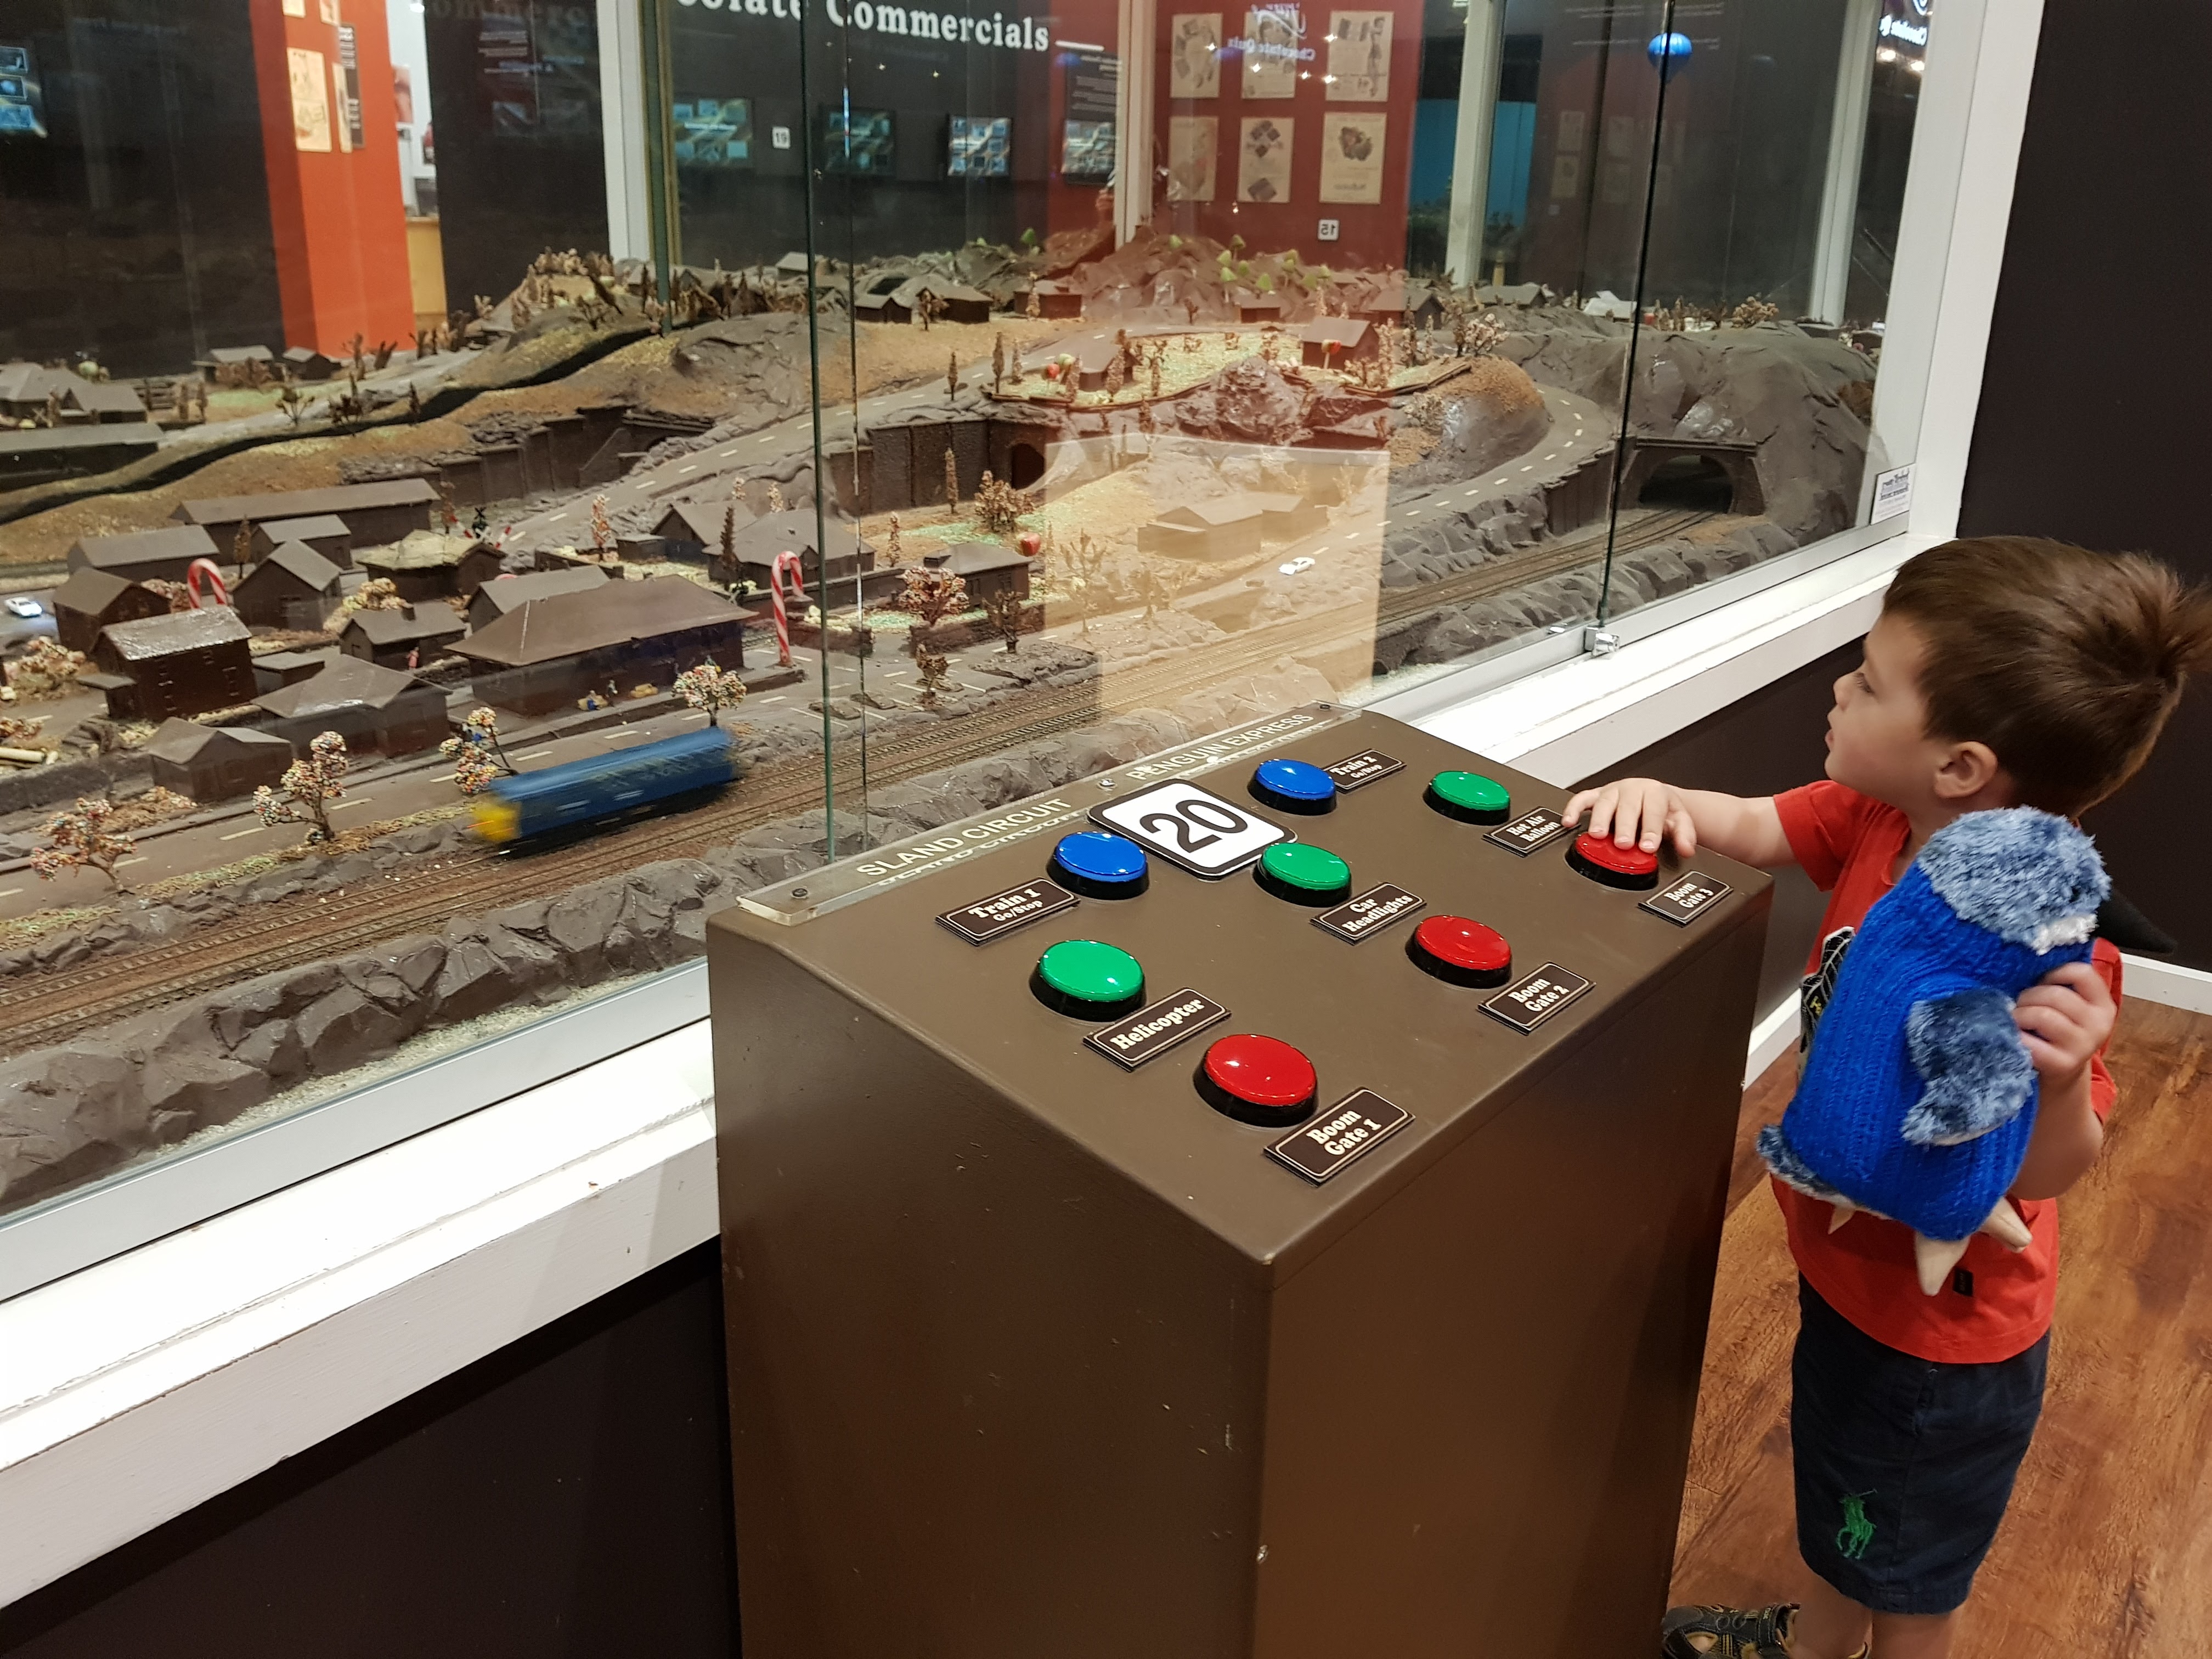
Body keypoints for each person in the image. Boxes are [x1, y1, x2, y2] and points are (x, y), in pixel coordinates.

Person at [1559, 538, 2212, 1659]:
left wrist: (2060, 1081)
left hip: (1943, 1334)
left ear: (1959, 766)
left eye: (1866, 682)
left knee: (1910, 1567)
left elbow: (2053, 1172)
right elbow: (1756, 824)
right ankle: (1816, 1640)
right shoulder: (1875, 821)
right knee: (1843, 1502)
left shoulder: (2050, 957)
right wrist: (1659, 797)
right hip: (1846, 1271)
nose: (1838, 690)